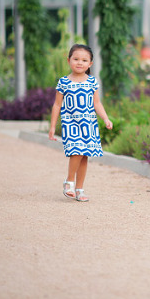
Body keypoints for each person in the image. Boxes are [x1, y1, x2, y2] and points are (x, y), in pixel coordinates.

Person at [49, 44, 113, 202]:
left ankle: (79, 189)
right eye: (76, 59)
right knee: (76, 151)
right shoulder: (64, 82)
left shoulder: (92, 82)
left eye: (84, 60)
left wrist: (105, 118)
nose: (79, 62)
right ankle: (69, 182)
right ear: (69, 60)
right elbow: (57, 105)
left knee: (84, 156)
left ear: (90, 64)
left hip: (89, 125)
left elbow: (97, 103)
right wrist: (52, 127)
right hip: (71, 125)